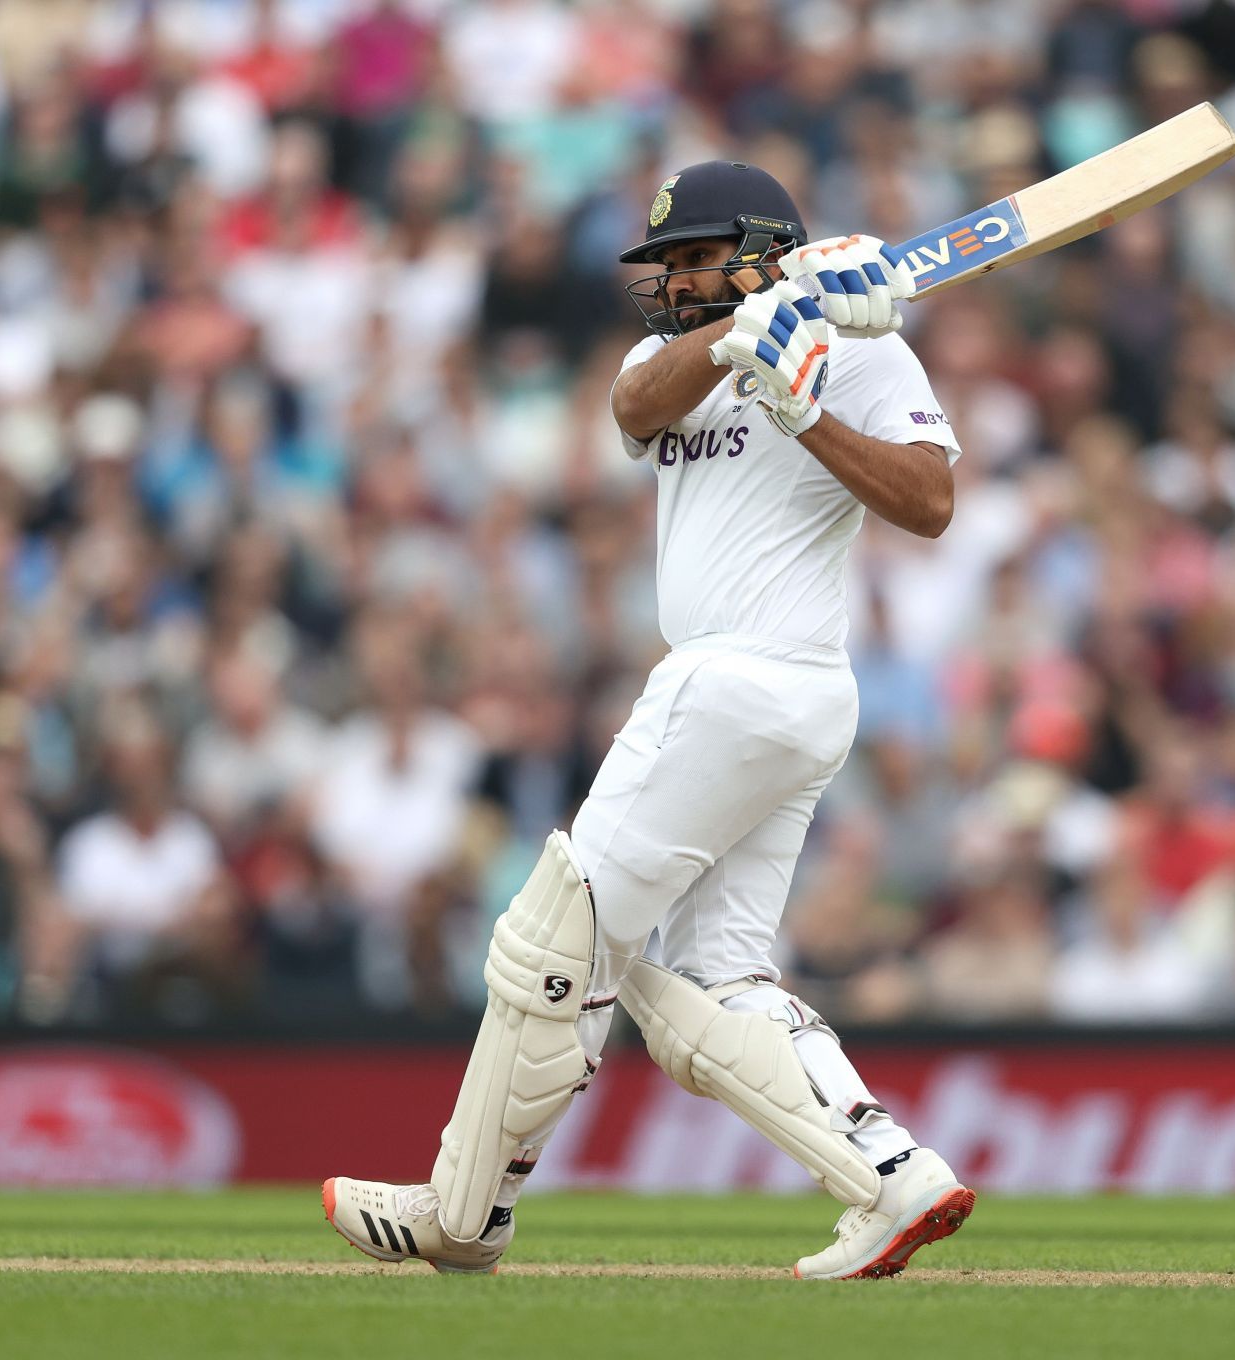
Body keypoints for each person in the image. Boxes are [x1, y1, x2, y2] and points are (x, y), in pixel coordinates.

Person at [324, 161, 973, 1279]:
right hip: (769, 700)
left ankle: (463, 1208)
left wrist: (806, 404)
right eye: (663, 266)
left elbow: (929, 503)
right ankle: (891, 1175)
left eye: (693, 261)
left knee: (555, 941)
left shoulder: (865, 347)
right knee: (711, 982)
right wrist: (743, 334)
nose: (671, 285)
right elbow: (632, 406)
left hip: (750, 679)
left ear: (762, 248)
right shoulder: (671, 360)